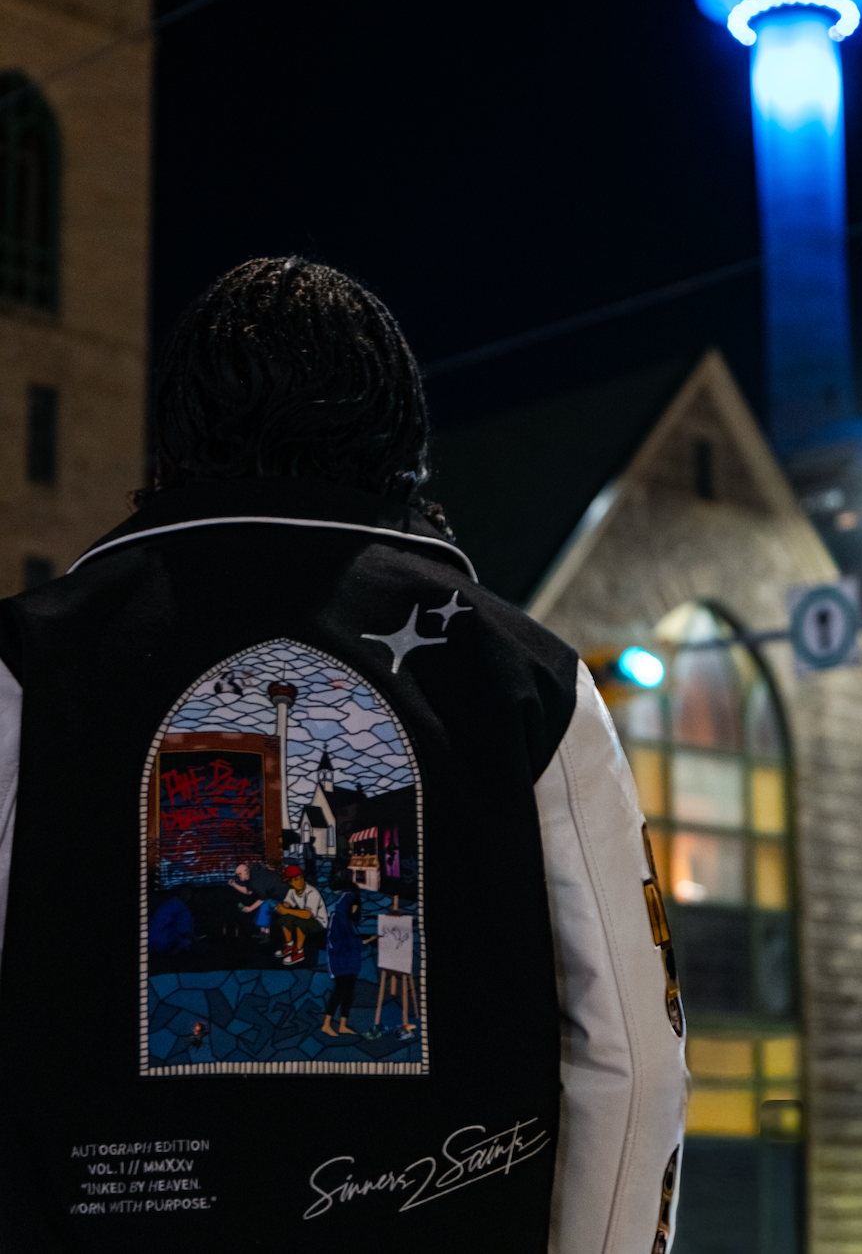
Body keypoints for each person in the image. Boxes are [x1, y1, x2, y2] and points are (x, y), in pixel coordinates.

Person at [0, 258, 687, 1254]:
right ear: (404, 445)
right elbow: (631, 1051)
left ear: (175, 436)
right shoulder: (528, 678)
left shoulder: (28, 661)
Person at [321, 870, 364, 1036]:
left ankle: (343, 1024)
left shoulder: (345, 920)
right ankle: (327, 1024)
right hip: (341, 962)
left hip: (350, 962)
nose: (355, 910)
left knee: (348, 993)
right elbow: (338, 943)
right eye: (354, 907)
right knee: (339, 991)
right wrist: (359, 943)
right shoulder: (339, 920)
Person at [274, 863, 328, 965]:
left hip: (319, 922)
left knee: (301, 921)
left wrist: (287, 910)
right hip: (306, 917)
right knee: (285, 918)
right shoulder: (292, 891)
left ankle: (299, 952)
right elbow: (287, 904)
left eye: (300, 878)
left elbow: (308, 914)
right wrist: (281, 908)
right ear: (290, 883)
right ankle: (289, 945)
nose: (299, 882)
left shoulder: (312, 892)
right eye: (295, 880)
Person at [229, 859, 288, 944]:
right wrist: (234, 885)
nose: (239, 876)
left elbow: (263, 897)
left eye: (239, 874)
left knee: (264, 907)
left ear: (246, 871)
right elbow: (248, 892)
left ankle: (266, 934)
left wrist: (250, 908)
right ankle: (263, 932)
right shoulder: (251, 876)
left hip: (282, 896)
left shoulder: (256, 879)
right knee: (261, 907)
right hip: (274, 894)